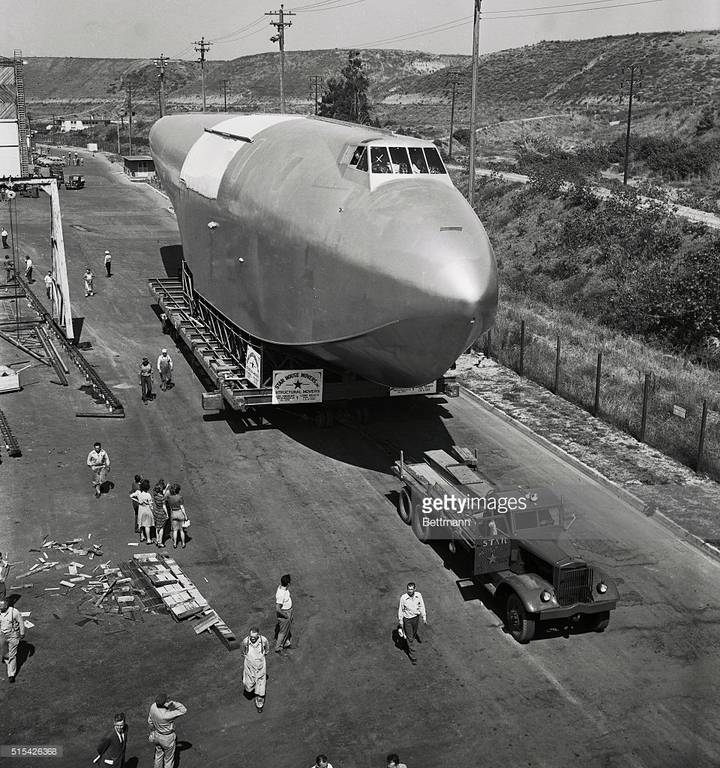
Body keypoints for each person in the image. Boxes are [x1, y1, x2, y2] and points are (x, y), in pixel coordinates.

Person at [147, 693, 186, 768]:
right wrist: (173, 703)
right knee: (168, 760)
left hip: (157, 735)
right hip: (167, 739)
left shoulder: (153, 706)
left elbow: (150, 721)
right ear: (164, 703)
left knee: (158, 755)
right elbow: (183, 710)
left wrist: (152, 732)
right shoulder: (166, 716)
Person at [397, 582, 426, 665]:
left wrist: (424, 617)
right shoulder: (403, 598)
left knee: (413, 635)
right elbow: (400, 610)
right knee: (410, 638)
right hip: (407, 620)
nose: (410, 591)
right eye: (408, 589)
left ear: (414, 589)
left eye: (411, 589)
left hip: (416, 619)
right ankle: (412, 656)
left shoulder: (418, 595)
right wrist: (401, 621)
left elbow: (422, 606)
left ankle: (404, 641)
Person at [241, 627, 269, 712]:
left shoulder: (263, 640)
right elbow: (243, 651)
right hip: (250, 666)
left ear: (258, 635)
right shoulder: (246, 641)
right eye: (251, 636)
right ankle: (252, 690)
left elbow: (267, 650)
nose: (252, 638)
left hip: (260, 666)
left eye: (254, 637)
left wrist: (260, 658)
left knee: (261, 685)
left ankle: (259, 703)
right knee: (249, 684)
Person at [0, 596, 26, 683]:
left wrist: (22, 633)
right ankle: (7, 659)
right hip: (2, 635)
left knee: (12, 655)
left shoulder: (14, 612)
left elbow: (21, 622)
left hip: (12, 636)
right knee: (4, 653)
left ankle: (11, 674)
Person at [131, 479, 154, 543]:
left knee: (140, 524)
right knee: (147, 525)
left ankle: (142, 536)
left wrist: (137, 501)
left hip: (140, 510)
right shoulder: (148, 495)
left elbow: (131, 496)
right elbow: (150, 504)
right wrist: (152, 509)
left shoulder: (139, 493)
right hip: (147, 510)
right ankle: (148, 539)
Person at [275, 573, 293, 653]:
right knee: (282, 632)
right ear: (288, 583)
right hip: (285, 614)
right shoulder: (281, 594)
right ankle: (278, 647)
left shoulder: (282, 587)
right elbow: (278, 609)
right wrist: (286, 616)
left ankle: (286, 643)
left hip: (288, 611)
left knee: (286, 629)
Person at [166, 483, 188, 549]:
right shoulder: (180, 497)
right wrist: (185, 516)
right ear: (178, 490)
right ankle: (183, 543)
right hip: (180, 513)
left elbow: (166, 497)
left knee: (175, 530)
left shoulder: (169, 498)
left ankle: (175, 543)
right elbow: (182, 507)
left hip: (173, 513)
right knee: (181, 530)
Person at [151, 480, 168, 547]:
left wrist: (166, 488)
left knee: (157, 527)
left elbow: (162, 492)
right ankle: (160, 542)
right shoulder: (162, 498)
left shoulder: (155, 495)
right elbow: (164, 506)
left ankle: (157, 540)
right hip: (161, 512)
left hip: (156, 511)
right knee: (161, 528)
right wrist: (167, 514)